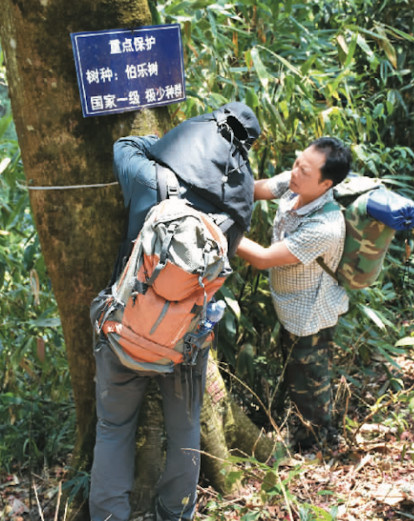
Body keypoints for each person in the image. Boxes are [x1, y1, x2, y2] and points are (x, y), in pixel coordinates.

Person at [89, 102, 260, 521]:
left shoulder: (151, 179)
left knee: (113, 430)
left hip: (124, 328)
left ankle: (110, 515)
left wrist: (166, 144)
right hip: (185, 342)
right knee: (185, 430)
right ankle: (175, 512)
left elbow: (126, 144)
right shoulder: (236, 210)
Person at [236, 137, 352, 449]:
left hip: (310, 317)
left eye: (305, 170)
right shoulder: (296, 182)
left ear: (326, 183)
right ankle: (305, 438)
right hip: (290, 308)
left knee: (310, 385)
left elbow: (262, 258)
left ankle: (320, 447)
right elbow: (254, 189)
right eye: (297, 163)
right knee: (295, 375)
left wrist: (215, 226)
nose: (294, 172)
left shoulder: (325, 226)